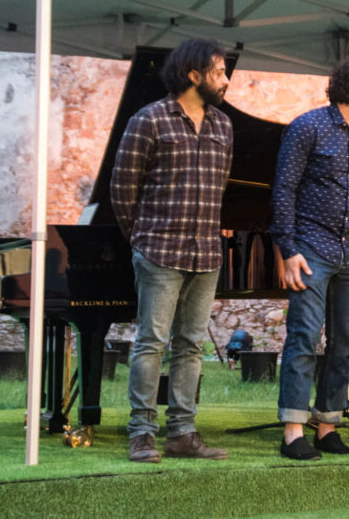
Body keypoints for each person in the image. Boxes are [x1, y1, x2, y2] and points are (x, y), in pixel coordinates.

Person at [110, 38, 233, 463]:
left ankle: (182, 432)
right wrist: (142, 239)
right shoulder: (149, 120)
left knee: (190, 346)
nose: (226, 79)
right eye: (219, 72)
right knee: (151, 342)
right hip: (159, 251)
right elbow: (123, 189)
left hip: (206, 254)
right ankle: (141, 432)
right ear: (193, 75)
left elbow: (220, 190)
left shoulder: (223, 127)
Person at [270, 57, 349, 460]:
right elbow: (284, 189)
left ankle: (327, 426)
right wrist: (288, 250)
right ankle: (292, 431)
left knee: (345, 343)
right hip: (310, 250)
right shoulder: (307, 127)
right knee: (304, 337)